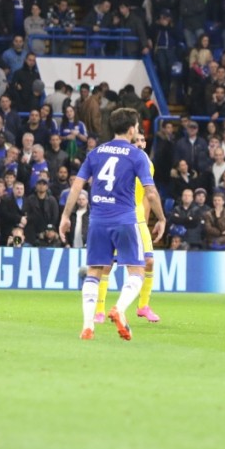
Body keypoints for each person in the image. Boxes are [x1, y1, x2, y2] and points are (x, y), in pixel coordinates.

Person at [59, 108, 166, 341]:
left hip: (97, 221)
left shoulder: (96, 153)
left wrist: (65, 216)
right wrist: (161, 218)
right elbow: (150, 192)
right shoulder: (137, 155)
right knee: (137, 270)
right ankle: (119, 308)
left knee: (94, 272)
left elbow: (76, 186)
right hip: (125, 220)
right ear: (132, 129)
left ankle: (88, 326)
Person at [95, 130, 160, 325]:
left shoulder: (148, 164)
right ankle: (99, 310)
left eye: (142, 140)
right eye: (136, 140)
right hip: (117, 217)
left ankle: (143, 306)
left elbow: (146, 195)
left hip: (137, 219)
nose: (139, 143)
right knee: (106, 265)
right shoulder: (121, 162)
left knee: (149, 262)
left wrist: (146, 220)